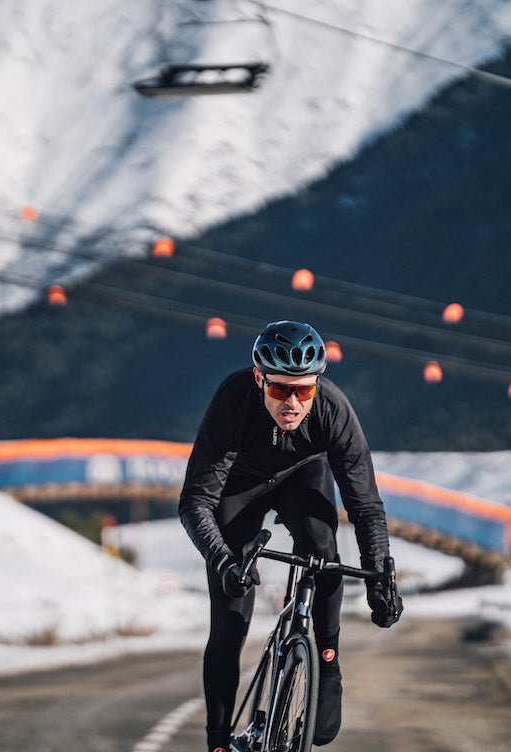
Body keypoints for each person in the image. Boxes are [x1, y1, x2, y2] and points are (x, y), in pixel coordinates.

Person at [179, 319, 404, 752]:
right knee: (229, 625)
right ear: (259, 379)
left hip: (302, 476)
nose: (294, 402)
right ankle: (219, 742)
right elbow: (195, 503)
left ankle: (328, 662)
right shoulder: (233, 402)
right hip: (237, 485)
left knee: (323, 549)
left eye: (305, 389)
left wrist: (379, 575)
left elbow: (365, 506)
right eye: (281, 389)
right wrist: (224, 561)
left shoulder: (333, 411)